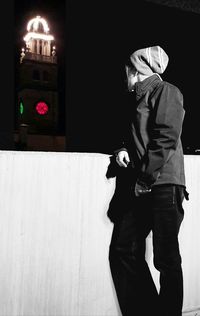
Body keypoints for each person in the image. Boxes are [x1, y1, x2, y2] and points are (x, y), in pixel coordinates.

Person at [107, 45, 189, 316]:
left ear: (136, 70)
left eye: (127, 70)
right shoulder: (138, 100)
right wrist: (120, 149)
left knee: (166, 259)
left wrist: (143, 179)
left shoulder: (166, 91)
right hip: (144, 184)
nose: (124, 76)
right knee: (123, 248)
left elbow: (165, 137)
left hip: (163, 185)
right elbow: (135, 139)